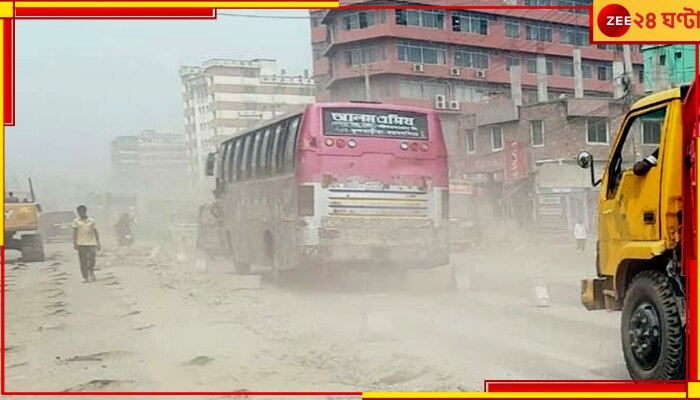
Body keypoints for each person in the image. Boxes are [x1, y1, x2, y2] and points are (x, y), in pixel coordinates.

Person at [72, 205, 101, 283]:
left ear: (85, 212)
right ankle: (85, 277)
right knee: (83, 261)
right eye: (79, 212)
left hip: (91, 242)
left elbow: (95, 232)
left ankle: (91, 272)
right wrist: (75, 243)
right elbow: (75, 232)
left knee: (92, 259)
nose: (80, 214)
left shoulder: (92, 221)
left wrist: (98, 242)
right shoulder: (76, 221)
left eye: (81, 212)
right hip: (81, 243)